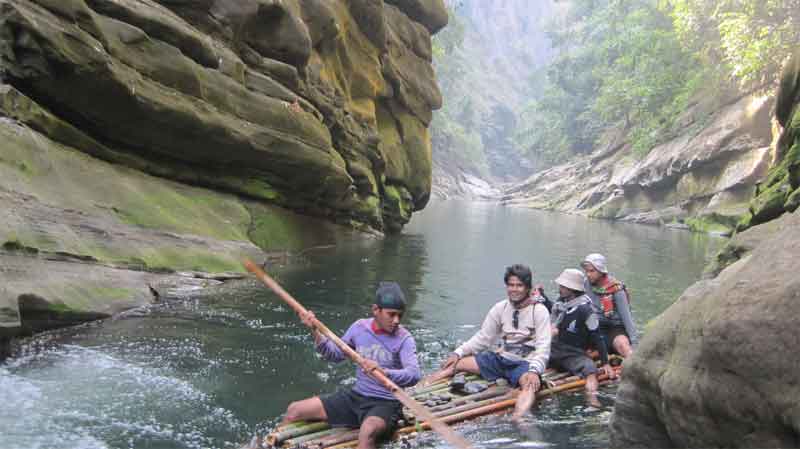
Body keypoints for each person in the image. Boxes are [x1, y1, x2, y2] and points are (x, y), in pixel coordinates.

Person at [280, 282, 421, 449]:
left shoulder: (404, 339)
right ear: (376, 310)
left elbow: (414, 374)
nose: (396, 320)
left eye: (400, 315)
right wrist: (314, 330)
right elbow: (334, 354)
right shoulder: (360, 328)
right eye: (391, 315)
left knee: (367, 431)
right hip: (357, 397)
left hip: (386, 404)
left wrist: (384, 372)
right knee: (294, 410)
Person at [426, 264, 551, 421]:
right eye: (511, 285)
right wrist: (458, 352)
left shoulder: (539, 311)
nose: (514, 289)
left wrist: (534, 371)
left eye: (519, 285)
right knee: (456, 363)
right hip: (501, 359)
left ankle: (518, 418)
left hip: (524, 364)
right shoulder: (501, 307)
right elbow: (483, 337)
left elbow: (543, 347)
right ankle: (423, 386)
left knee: (530, 385)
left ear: (527, 288)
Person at [549, 269, 614, 408]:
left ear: (572, 289)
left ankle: (592, 400)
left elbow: (597, 336)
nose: (560, 289)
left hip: (573, 354)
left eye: (563, 286)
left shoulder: (586, 310)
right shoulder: (561, 304)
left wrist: (605, 362)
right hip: (555, 349)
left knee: (591, 370)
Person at [581, 253, 637, 357]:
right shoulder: (585, 284)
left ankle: (632, 360)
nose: (588, 274)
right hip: (595, 326)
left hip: (615, 328)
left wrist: (634, 342)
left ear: (601, 271)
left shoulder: (617, 289)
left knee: (623, 346)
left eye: (592, 271)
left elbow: (627, 318)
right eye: (586, 271)